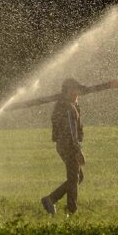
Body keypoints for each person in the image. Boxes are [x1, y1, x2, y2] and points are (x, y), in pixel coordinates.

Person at [41, 78, 86, 216]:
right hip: (68, 146)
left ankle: (51, 199)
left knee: (77, 178)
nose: (76, 93)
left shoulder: (67, 105)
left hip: (64, 145)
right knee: (74, 179)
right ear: (67, 91)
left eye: (77, 90)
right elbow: (72, 132)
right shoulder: (68, 107)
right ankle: (72, 211)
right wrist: (77, 150)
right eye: (74, 90)